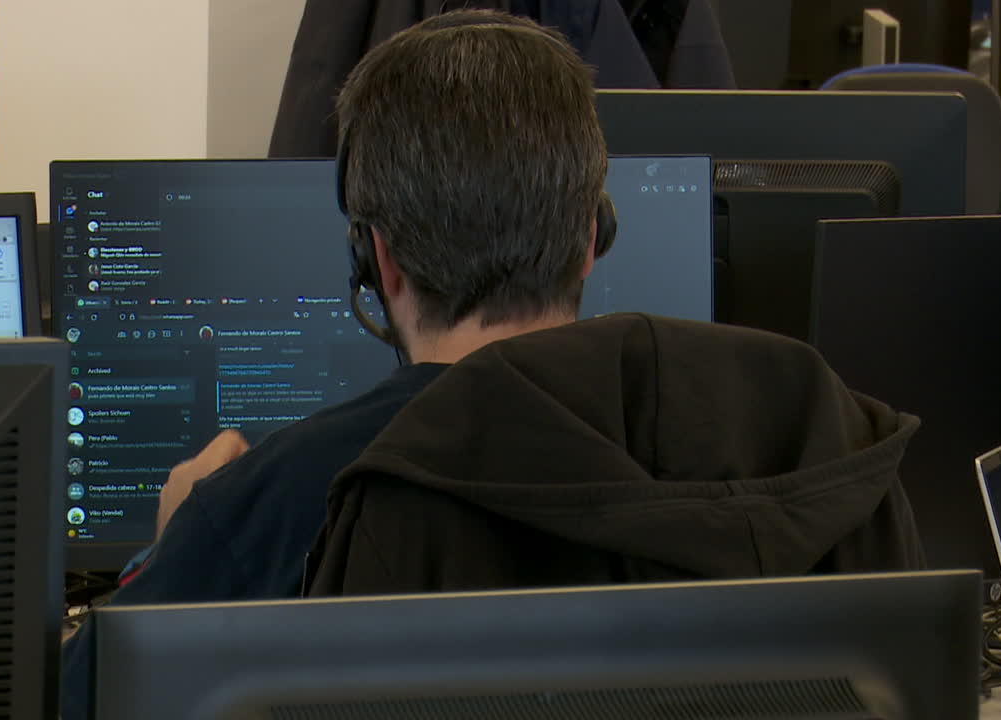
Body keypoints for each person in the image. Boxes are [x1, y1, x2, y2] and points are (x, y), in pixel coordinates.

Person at [59, 10, 616, 719]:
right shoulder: (715, 454)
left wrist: (172, 550)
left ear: (379, 261)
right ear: (589, 241)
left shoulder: (265, 503)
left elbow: (74, 698)